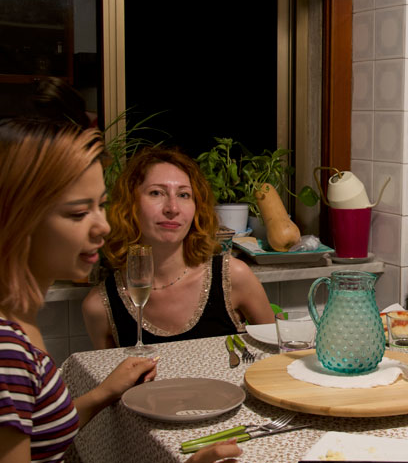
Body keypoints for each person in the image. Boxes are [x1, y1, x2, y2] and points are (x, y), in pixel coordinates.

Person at [0, 118, 241, 463]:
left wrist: (102, 393)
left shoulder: (22, 322)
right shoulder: (8, 350)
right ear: (18, 219)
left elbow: (34, 434)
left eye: (100, 205)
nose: (103, 226)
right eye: (79, 213)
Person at [83, 147, 274, 349]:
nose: (172, 208)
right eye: (156, 193)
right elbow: (109, 377)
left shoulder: (234, 276)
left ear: (196, 207)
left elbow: (275, 358)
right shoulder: (100, 307)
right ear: (130, 205)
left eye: (184, 195)